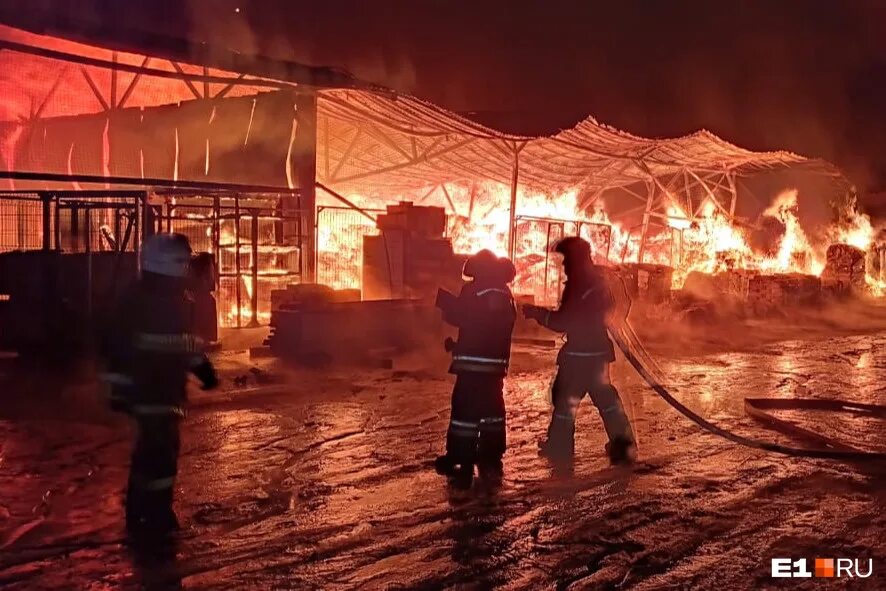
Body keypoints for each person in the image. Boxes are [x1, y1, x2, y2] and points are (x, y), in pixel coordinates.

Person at [100, 233, 219, 537]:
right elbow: (180, 344)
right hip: (158, 390)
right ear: (172, 265)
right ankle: (156, 520)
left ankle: (140, 516)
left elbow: (116, 346)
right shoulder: (166, 302)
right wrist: (204, 370)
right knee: (160, 458)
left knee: (148, 455)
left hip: (145, 391)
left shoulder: (137, 296)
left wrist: (119, 389)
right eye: (183, 262)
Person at [523, 236, 636, 465]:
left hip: (578, 356)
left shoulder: (579, 285)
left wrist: (537, 314)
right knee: (607, 401)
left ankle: (560, 447)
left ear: (575, 259)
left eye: (566, 260)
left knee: (565, 402)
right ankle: (624, 446)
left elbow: (563, 321)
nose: (563, 265)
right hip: (597, 354)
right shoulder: (597, 281)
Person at [435, 249, 517, 483]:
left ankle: (460, 458)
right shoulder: (506, 293)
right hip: (494, 368)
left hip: (472, 366)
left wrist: (444, 303)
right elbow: (489, 327)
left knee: (464, 413)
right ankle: (491, 455)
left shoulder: (474, 291)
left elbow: (461, 317)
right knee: (492, 412)